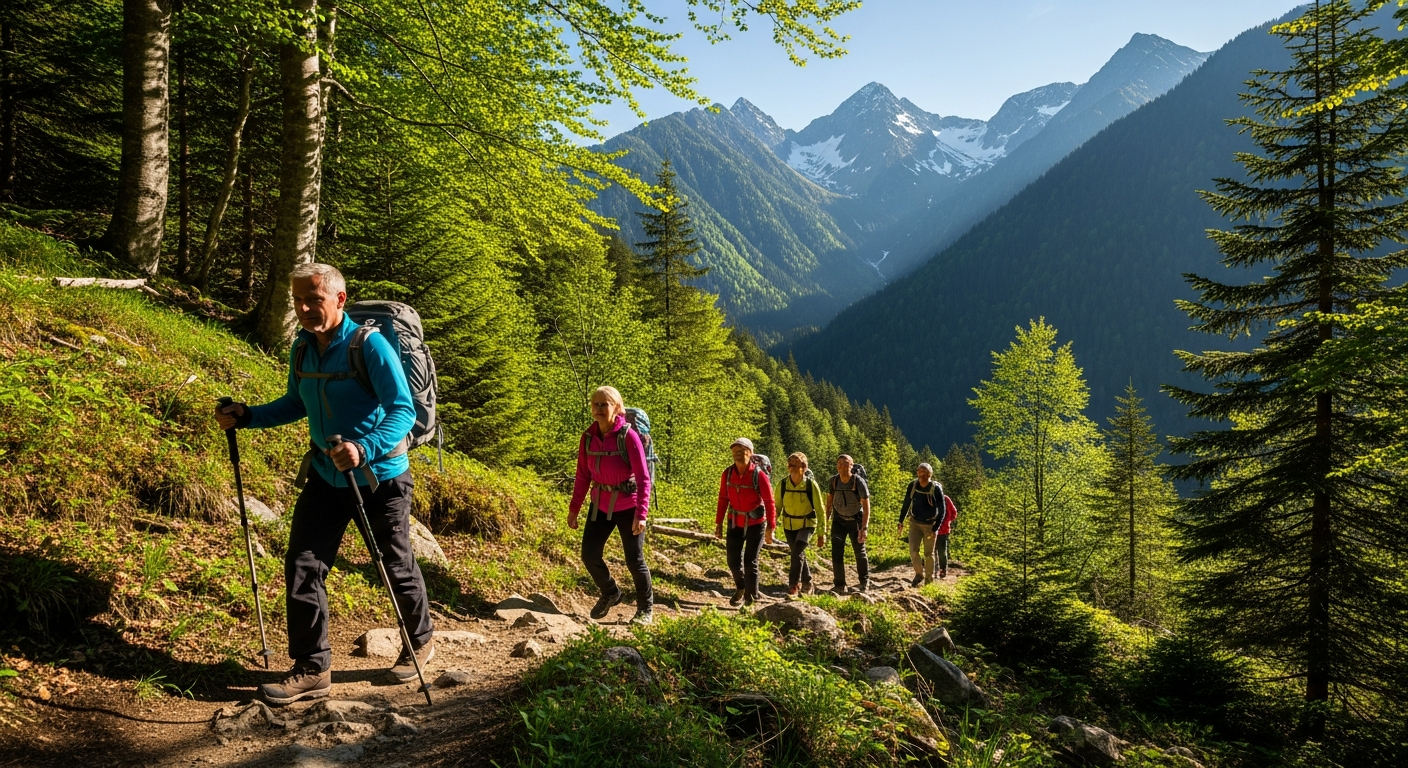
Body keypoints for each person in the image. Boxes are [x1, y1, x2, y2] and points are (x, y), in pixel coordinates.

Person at [215, 263, 431, 706]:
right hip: (327, 476)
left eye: (314, 299)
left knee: (394, 563)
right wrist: (249, 414)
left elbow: (403, 410)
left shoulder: (370, 346)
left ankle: (420, 640)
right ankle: (313, 667)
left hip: (380, 478)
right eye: (299, 300)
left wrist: (363, 448)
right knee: (303, 564)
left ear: (339, 299)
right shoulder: (302, 349)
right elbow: (297, 402)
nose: (305, 308)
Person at [568, 386, 655, 625]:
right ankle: (610, 592)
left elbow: (644, 477)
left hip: (629, 507)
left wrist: (642, 513)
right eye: (595, 404)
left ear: (617, 408)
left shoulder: (628, 436)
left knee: (634, 560)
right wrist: (574, 508)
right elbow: (583, 476)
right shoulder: (588, 438)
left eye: (603, 404)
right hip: (600, 506)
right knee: (589, 555)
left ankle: (645, 609)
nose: (598, 409)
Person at [714, 437, 777, 606]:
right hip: (734, 522)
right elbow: (722, 499)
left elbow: (770, 501)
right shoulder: (727, 474)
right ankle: (742, 587)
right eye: (735, 451)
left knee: (750, 562)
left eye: (742, 451)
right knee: (732, 561)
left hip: (756, 523)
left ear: (750, 453)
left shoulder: (759, 475)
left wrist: (772, 526)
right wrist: (718, 523)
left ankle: (751, 600)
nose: (738, 454)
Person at [775, 452, 825, 598]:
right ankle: (808, 583)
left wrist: (822, 533)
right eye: (790, 464)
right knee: (799, 554)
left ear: (804, 467)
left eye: (795, 465)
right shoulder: (783, 484)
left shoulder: (810, 485)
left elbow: (820, 510)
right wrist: (770, 526)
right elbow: (777, 507)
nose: (791, 468)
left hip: (807, 524)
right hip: (788, 525)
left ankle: (793, 587)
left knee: (796, 554)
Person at [826, 454, 871, 594]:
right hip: (838, 521)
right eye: (839, 463)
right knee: (836, 553)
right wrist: (825, 523)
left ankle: (864, 582)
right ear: (836, 466)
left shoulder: (858, 482)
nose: (842, 466)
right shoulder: (833, 481)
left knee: (860, 553)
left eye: (846, 463)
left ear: (852, 466)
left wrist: (864, 527)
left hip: (855, 521)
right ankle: (840, 584)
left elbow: (866, 506)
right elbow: (829, 503)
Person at [897, 463, 944, 586]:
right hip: (915, 523)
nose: (921, 473)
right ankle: (919, 574)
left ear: (930, 474)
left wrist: (936, 528)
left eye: (924, 471)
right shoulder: (913, 486)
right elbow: (906, 503)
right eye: (919, 471)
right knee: (913, 550)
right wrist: (901, 520)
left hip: (930, 525)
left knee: (929, 554)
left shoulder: (935, 489)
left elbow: (942, 510)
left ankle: (929, 580)